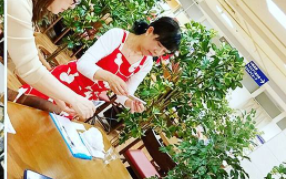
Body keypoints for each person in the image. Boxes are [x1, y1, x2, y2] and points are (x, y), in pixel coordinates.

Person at [7, 0, 104, 120]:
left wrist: (57, 95)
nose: (72, 6)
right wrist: (74, 99)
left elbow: (30, 53)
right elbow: (29, 69)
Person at [18, 17, 182, 113]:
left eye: (164, 51)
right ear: (150, 31)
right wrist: (109, 77)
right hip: (63, 82)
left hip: (81, 101)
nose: (157, 52)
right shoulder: (118, 36)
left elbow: (124, 93)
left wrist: (129, 103)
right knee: (22, 111)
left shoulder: (146, 63)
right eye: (158, 45)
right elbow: (83, 64)